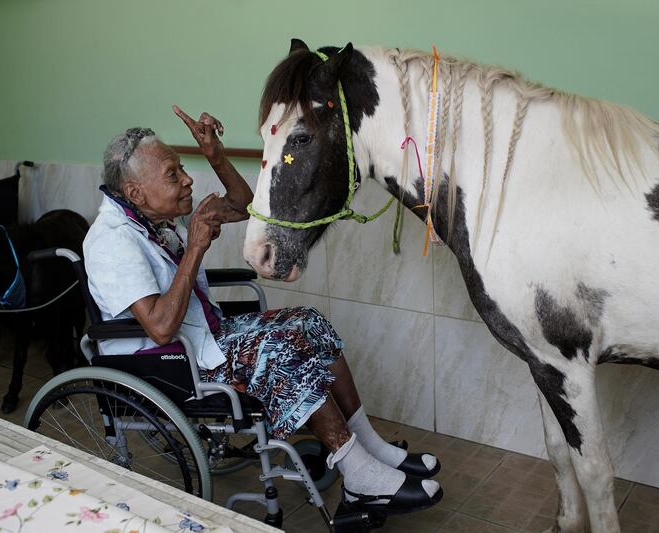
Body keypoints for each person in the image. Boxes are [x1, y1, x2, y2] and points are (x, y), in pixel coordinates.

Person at [82, 106, 442, 513]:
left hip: (204, 339)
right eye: (173, 174)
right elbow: (161, 328)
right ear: (135, 193)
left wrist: (216, 155)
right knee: (280, 351)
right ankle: (359, 474)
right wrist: (196, 247)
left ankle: (371, 448)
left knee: (308, 323)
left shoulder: (156, 221)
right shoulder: (112, 242)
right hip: (170, 361)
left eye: (183, 168)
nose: (187, 180)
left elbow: (244, 204)